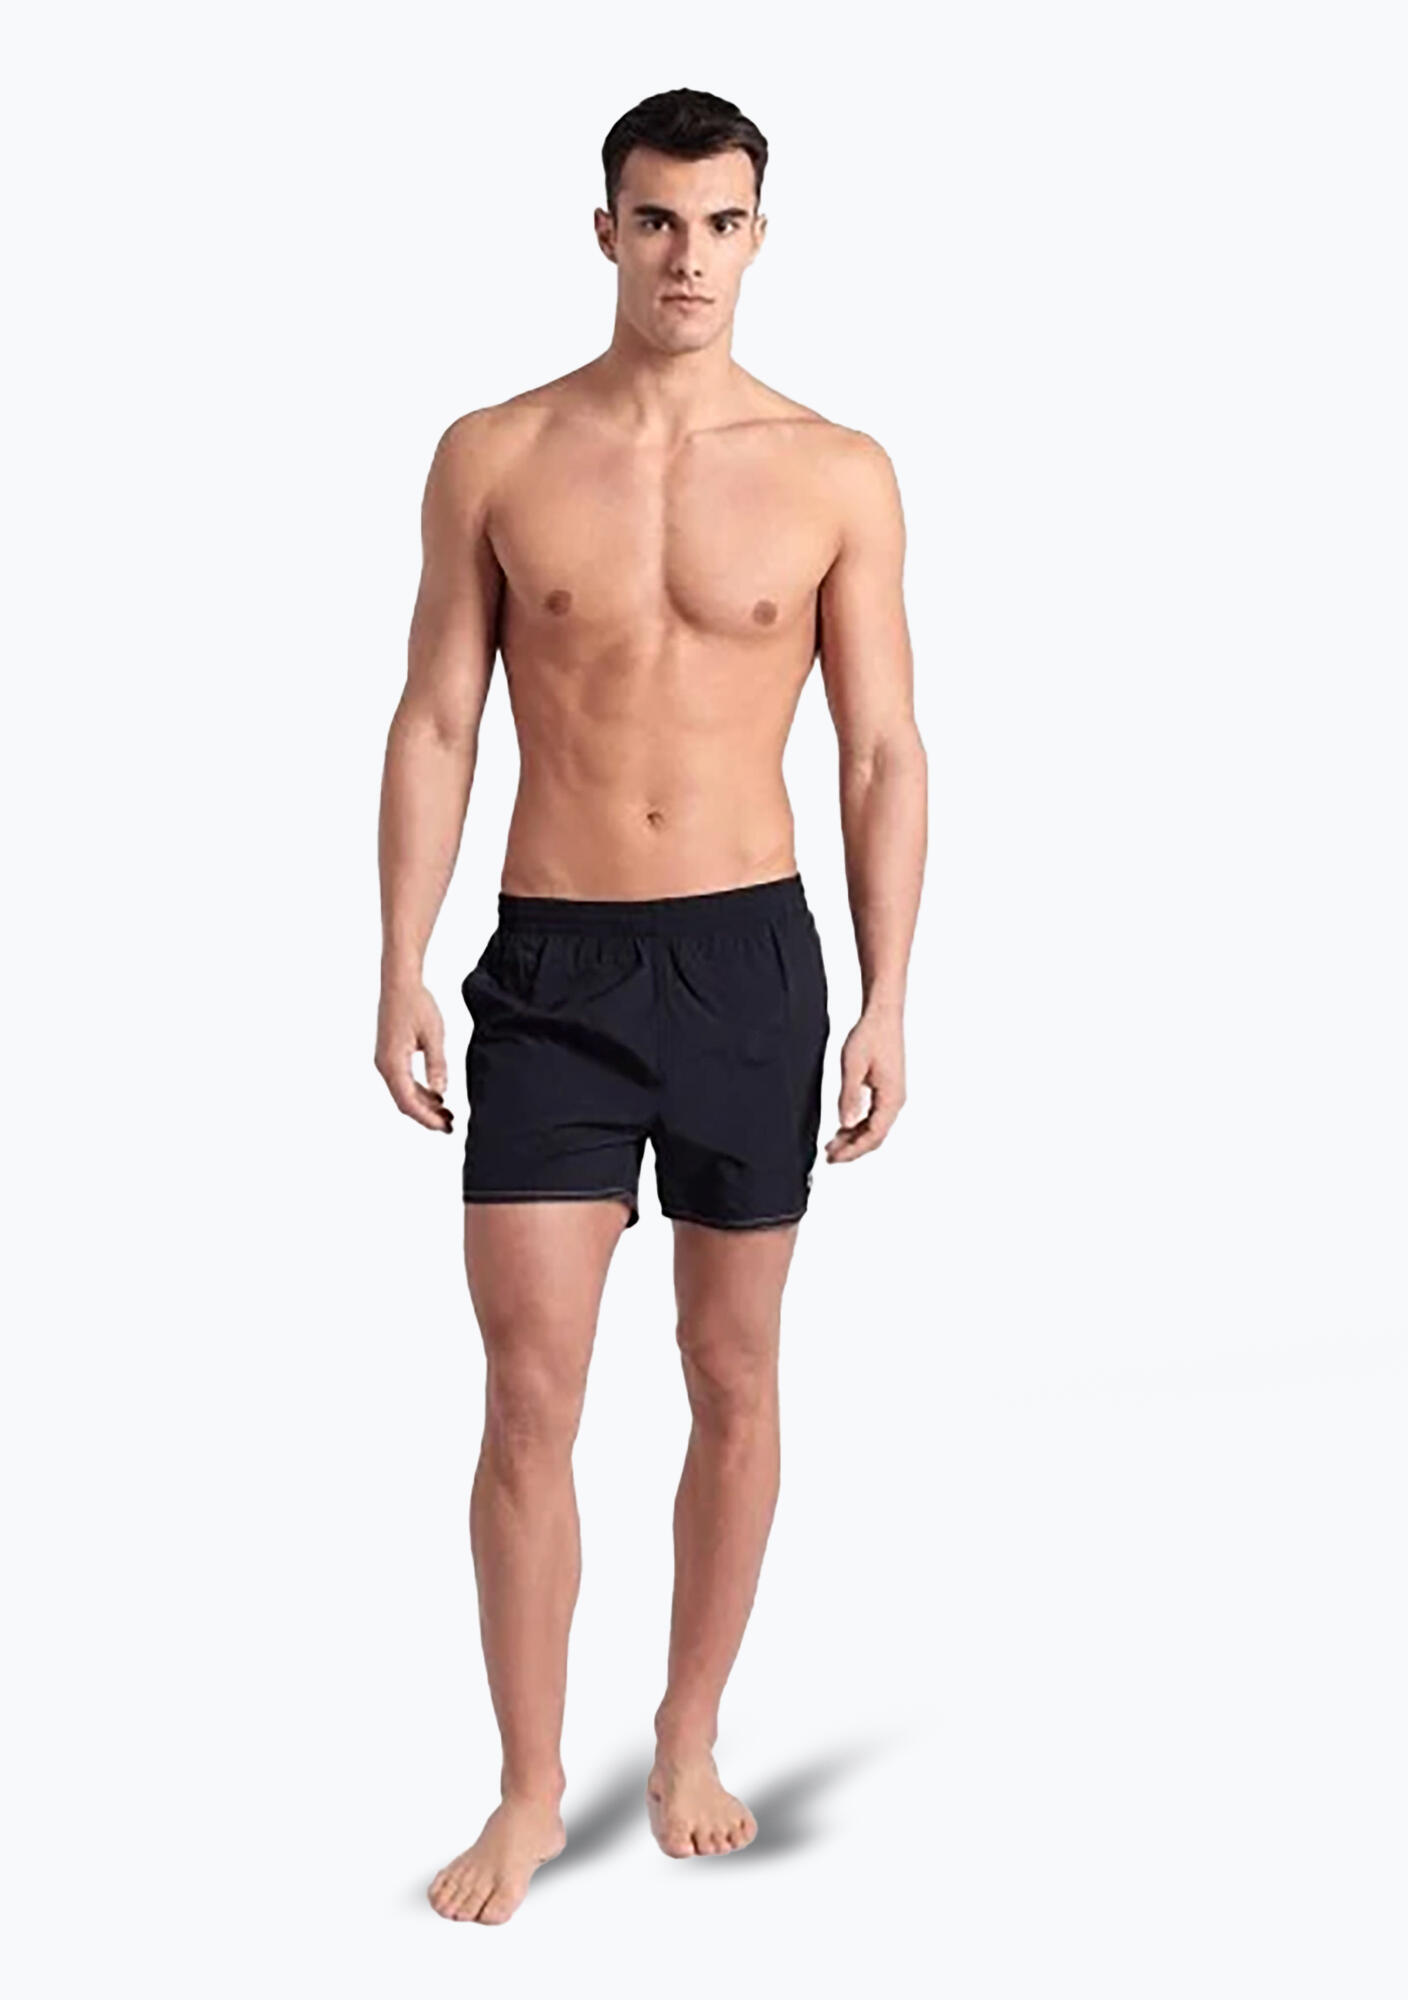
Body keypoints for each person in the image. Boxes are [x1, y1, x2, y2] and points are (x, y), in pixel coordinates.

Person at [375, 86, 927, 1924]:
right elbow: (438, 718)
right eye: (658, 219)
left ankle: (689, 1735)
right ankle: (530, 1789)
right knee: (527, 1390)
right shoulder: (495, 454)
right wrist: (399, 960)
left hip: (751, 964)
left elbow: (881, 749)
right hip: (555, 966)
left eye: (722, 222)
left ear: (761, 236)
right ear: (605, 229)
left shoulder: (837, 470)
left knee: (732, 1369)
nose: (690, 255)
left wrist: (889, 996)